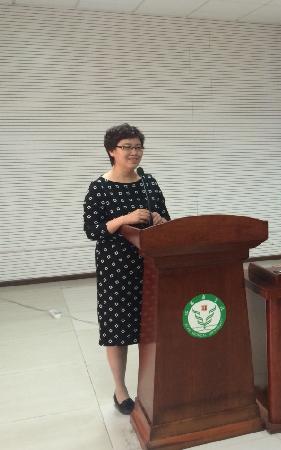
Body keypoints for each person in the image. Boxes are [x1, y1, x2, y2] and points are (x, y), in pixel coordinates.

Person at [83, 123, 170, 415]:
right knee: (117, 329)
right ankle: (120, 391)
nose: (134, 152)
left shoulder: (149, 182)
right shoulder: (100, 187)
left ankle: (152, 384)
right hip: (117, 268)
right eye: (127, 147)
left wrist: (160, 219)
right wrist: (125, 218)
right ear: (112, 151)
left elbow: (167, 221)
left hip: (151, 265)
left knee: (152, 328)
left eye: (138, 147)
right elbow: (93, 230)